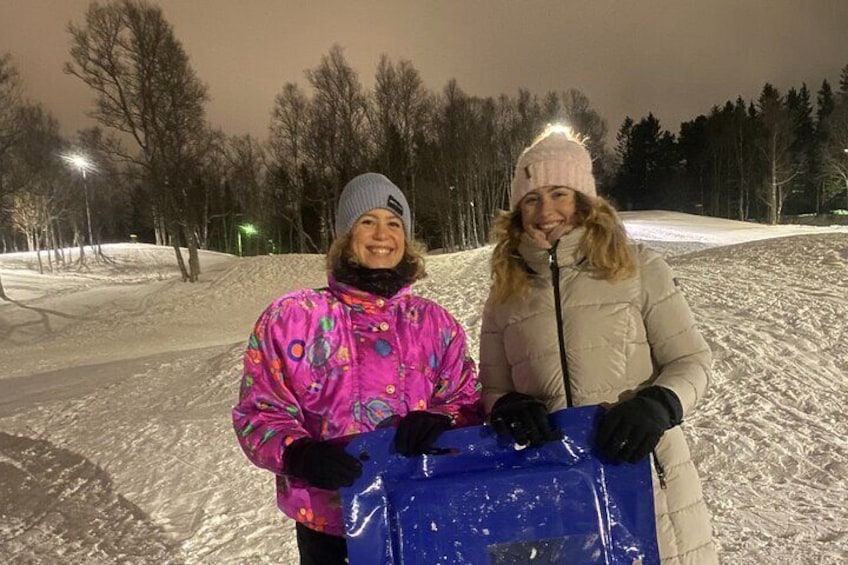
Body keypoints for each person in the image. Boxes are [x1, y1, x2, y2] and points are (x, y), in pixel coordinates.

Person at [479, 125, 718, 564]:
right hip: (554, 487)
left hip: (645, 474)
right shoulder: (504, 295)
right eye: (532, 199)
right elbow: (491, 389)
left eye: (559, 194)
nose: (545, 210)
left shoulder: (638, 268)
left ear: (585, 201)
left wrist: (660, 405)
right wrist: (506, 406)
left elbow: (693, 361)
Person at [233, 173, 481, 564]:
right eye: (368, 221)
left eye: (393, 223)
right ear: (346, 235)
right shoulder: (293, 317)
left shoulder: (434, 323)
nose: (382, 234)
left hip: (419, 505)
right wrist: (298, 453)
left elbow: (465, 399)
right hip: (330, 519)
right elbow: (260, 412)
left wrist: (442, 419)